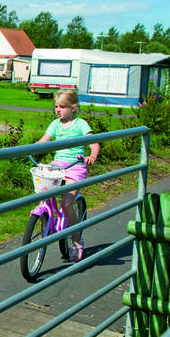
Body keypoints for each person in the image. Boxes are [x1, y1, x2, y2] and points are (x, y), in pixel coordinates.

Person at [35, 88, 100, 262]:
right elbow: (44, 140)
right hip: (57, 166)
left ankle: (77, 241)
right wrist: (33, 148)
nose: (58, 110)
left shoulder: (81, 124)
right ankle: (45, 224)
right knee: (44, 194)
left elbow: (93, 142)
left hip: (75, 167)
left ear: (73, 107)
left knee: (66, 203)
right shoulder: (55, 124)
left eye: (62, 106)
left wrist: (92, 155)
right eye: (56, 106)